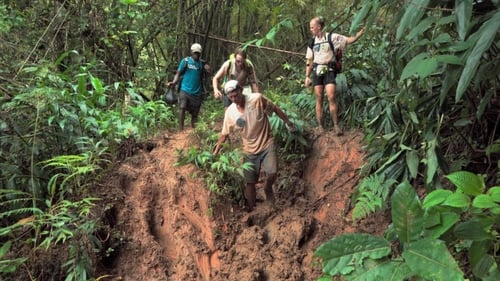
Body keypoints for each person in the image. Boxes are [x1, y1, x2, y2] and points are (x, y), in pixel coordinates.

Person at [212, 80, 296, 211]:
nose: (234, 99)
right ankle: (251, 209)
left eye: (236, 95)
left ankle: (268, 189)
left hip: (266, 142)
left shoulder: (257, 99)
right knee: (250, 182)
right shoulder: (230, 112)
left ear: (241, 90)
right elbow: (224, 134)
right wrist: (216, 151)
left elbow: (274, 108)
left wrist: (288, 123)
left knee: (272, 172)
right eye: (231, 97)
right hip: (249, 150)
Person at [304, 16, 365, 135]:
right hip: (317, 71)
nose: (311, 29)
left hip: (329, 70)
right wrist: (307, 76)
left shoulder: (331, 37)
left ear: (319, 27)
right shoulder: (312, 42)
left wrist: (358, 35)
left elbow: (347, 40)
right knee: (319, 98)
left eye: (312, 27)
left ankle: (336, 126)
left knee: (331, 96)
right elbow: (309, 60)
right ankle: (321, 126)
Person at [168, 43, 211, 130]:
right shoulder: (186, 61)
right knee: (182, 107)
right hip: (185, 89)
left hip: (197, 92)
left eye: (198, 53)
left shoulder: (202, 64)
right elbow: (178, 73)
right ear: (191, 52)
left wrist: (208, 70)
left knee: (195, 113)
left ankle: (194, 132)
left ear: (200, 53)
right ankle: (181, 129)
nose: (196, 54)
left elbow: (207, 77)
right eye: (195, 53)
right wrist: (174, 82)